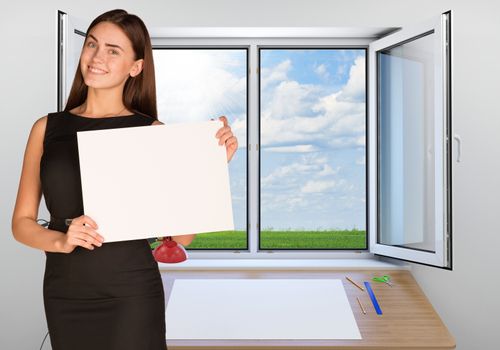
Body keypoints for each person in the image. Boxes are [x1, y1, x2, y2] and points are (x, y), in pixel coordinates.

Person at [11, 9, 238, 350]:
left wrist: (210, 168)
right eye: (92, 44)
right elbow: (21, 223)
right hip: (64, 292)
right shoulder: (46, 129)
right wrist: (62, 241)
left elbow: (183, 236)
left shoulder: (152, 132)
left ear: (136, 67)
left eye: (113, 50)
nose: (97, 57)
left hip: (131, 293)